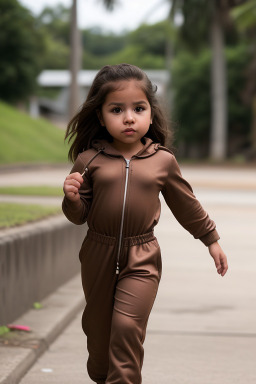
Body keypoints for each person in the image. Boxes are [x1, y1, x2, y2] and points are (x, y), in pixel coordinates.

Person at [62, 63, 228, 384]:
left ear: (151, 114)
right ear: (101, 117)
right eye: (116, 109)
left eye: (138, 108)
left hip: (143, 257)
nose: (128, 117)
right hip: (98, 253)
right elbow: (78, 215)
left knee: (126, 329)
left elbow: (186, 204)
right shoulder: (89, 160)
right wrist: (71, 199)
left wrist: (211, 239)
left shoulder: (162, 160)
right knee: (99, 340)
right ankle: (102, 375)